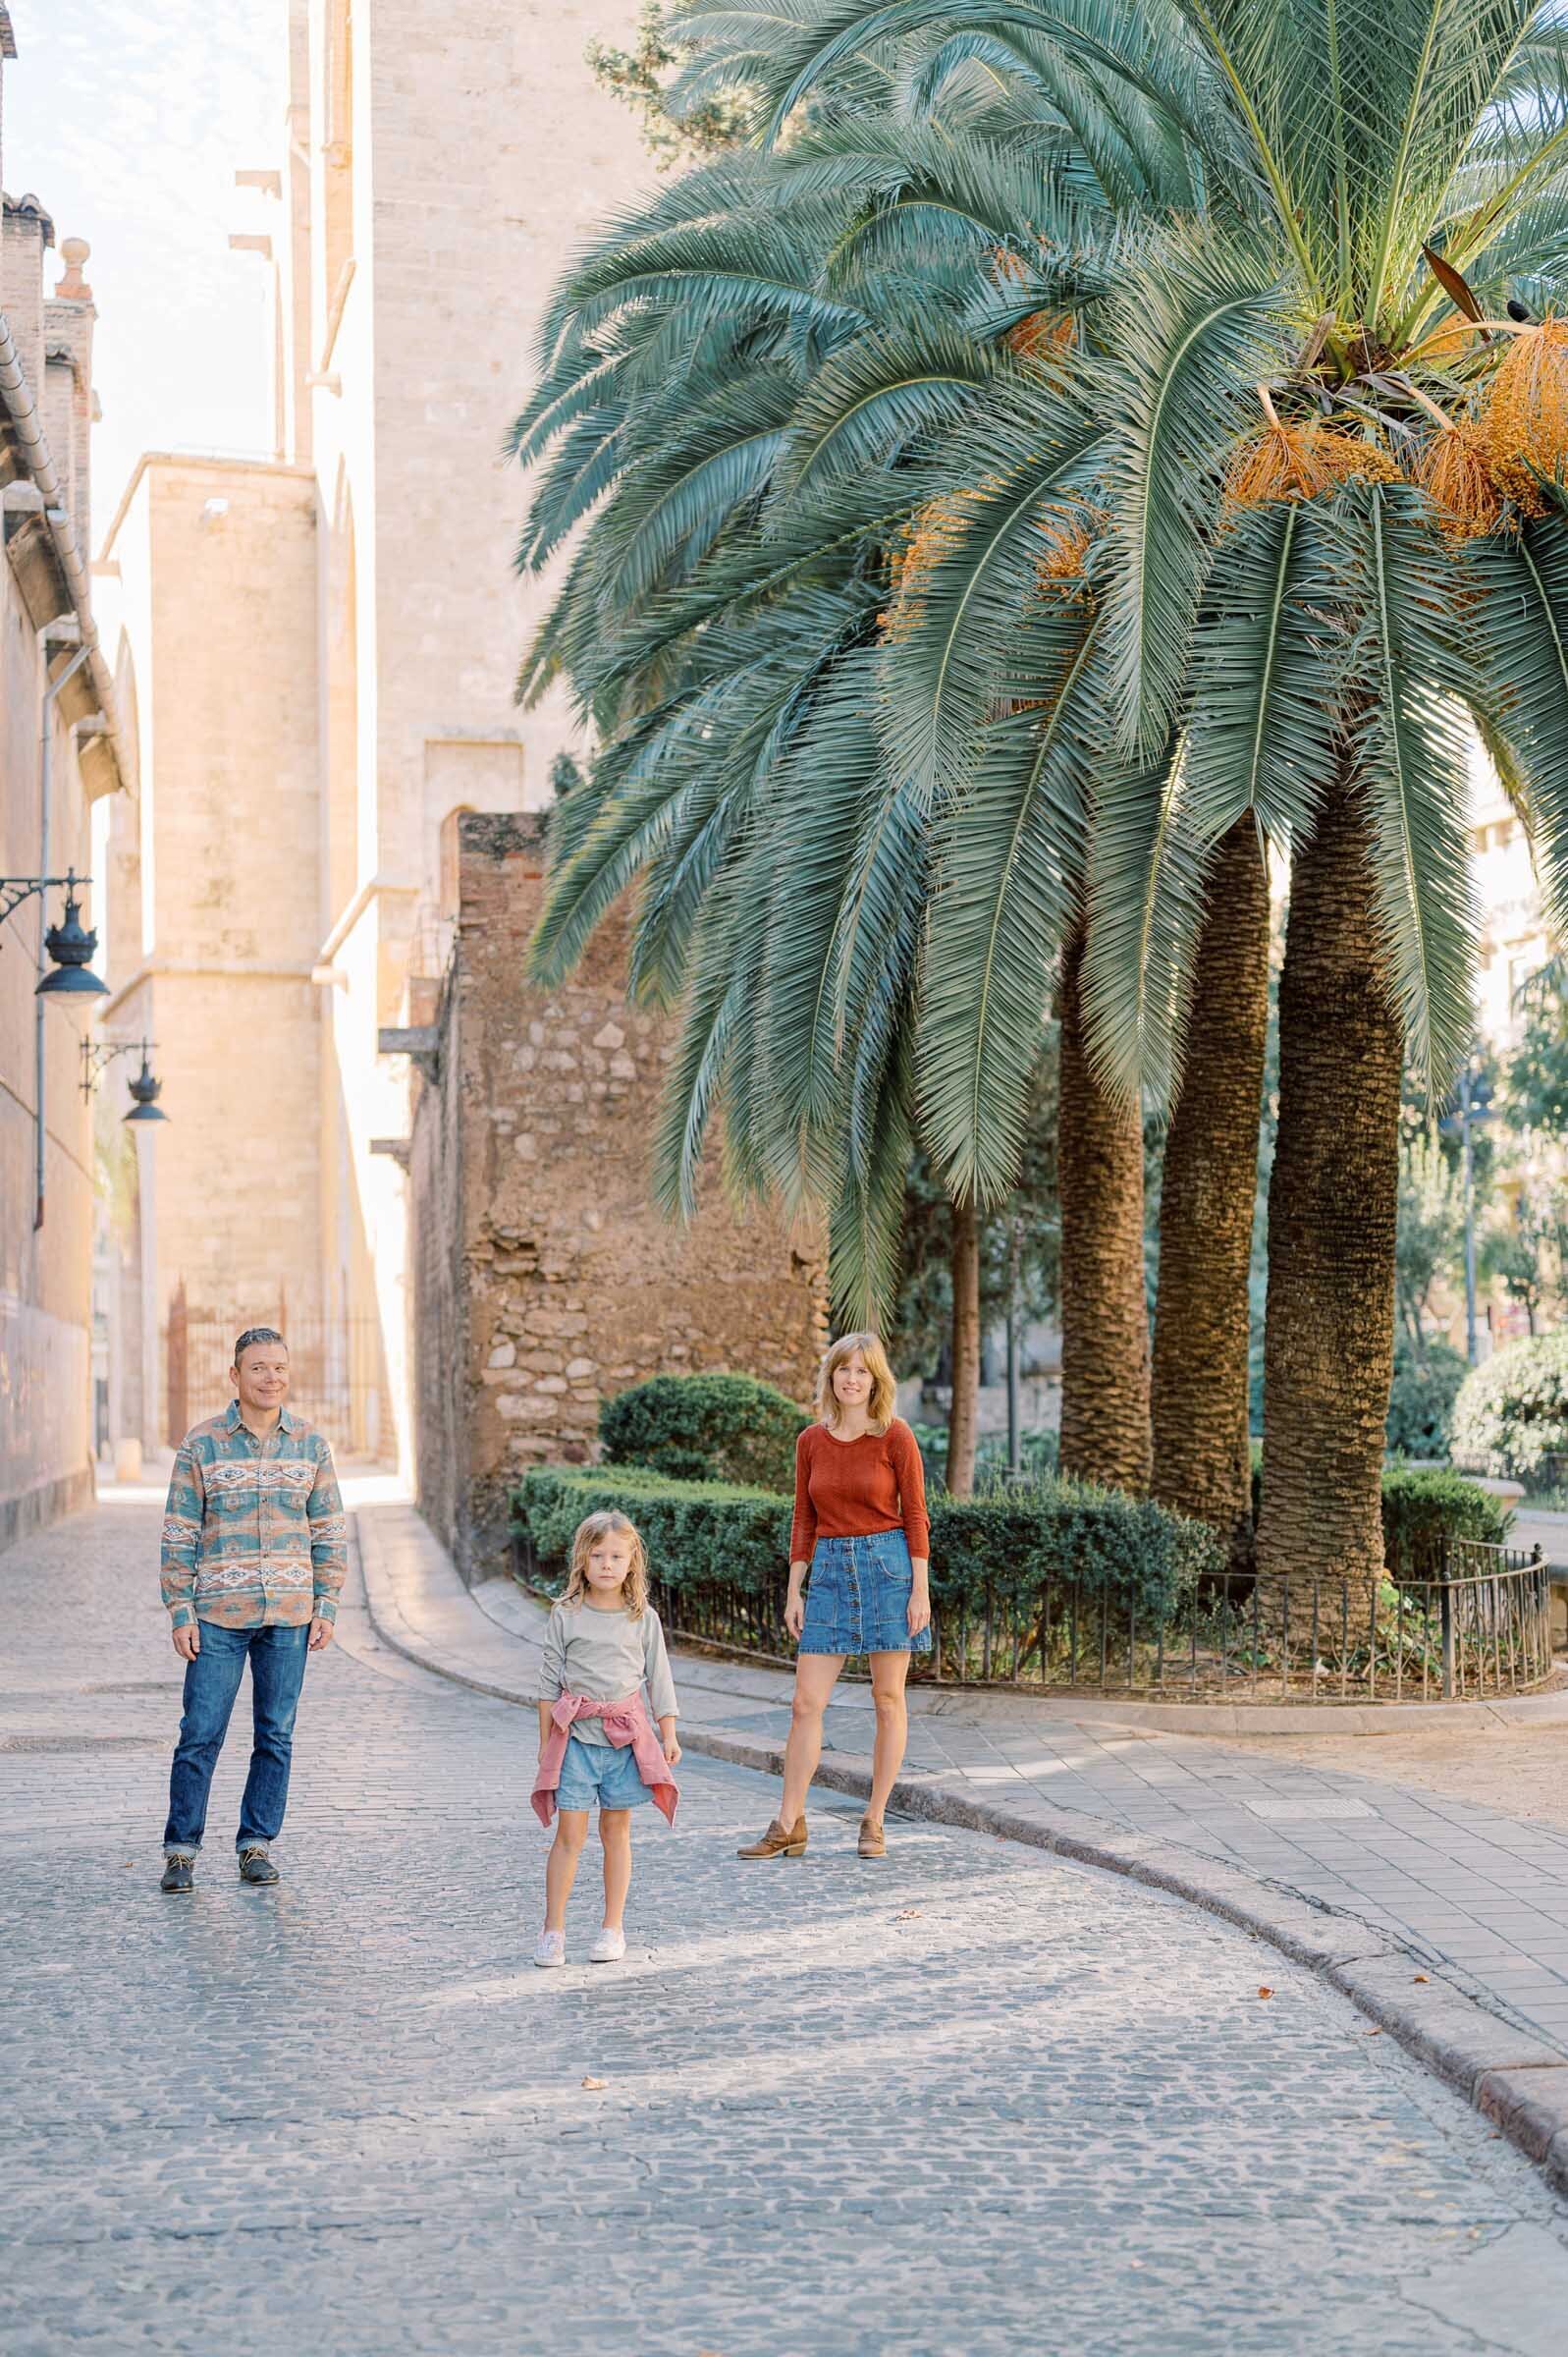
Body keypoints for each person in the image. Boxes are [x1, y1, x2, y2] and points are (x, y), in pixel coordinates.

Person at [157, 1327, 346, 1891]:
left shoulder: (311, 1445)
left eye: (281, 1368)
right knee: (200, 1733)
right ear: (235, 1376)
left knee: (276, 1735)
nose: (272, 1378)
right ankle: (181, 1850)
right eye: (259, 1368)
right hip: (217, 1615)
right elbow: (179, 1532)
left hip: (289, 1616)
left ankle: (256, 1844)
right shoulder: (202, 1444)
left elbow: (329, 1532)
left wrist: (326, 1604)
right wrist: (180, 1610)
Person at [738, 1332, 931, 1863]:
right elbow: (804, 1517)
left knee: (887, 1700)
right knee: (806, 1703)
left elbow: (915, 1515)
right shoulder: (810, 1442)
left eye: (862, 1371)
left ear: (876, 1380)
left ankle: (874, 1818)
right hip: (826, 1572)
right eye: (844, 1369)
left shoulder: (896, 1437)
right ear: (831, 1376)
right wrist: (794, 1587)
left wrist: (921, 1589)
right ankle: (788, 1822)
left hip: (888, 1569)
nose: (852, 1379)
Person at [531, 1510, 680, 1967]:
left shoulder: (642, 1618)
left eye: (617, 1556)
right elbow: (546, 1685)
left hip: (625, 1742)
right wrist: (544, 1748)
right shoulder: (566, 1615)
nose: (607, 1565)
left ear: (632, 1561)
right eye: (598, 1555)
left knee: (616, 1831)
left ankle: (612, 1928)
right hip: (575, 1741)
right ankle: (553, 1931)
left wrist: (668, 1733)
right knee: (569, 1835)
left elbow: (660, 1677)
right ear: (583, 1559)